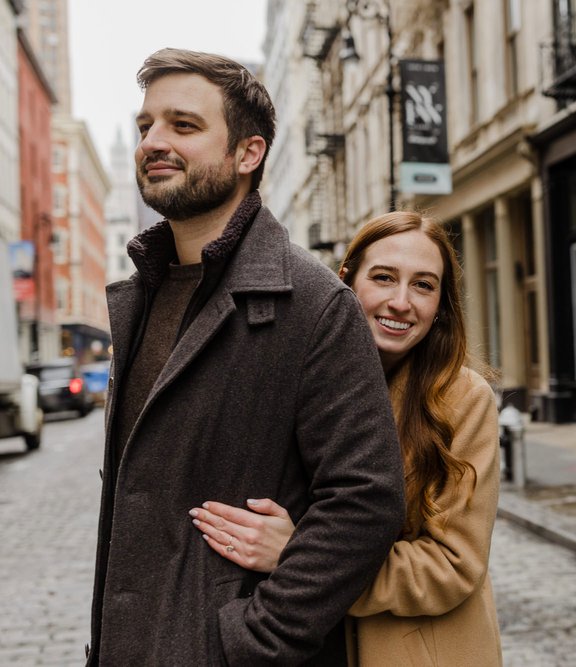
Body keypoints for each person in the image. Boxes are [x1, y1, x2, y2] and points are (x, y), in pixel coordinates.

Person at [88, 48, 405, 666]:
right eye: (145, 125)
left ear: (248, 154)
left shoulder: (313, 303)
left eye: (183, 125)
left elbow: (365, 502)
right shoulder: (142, 297)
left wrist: (249, 642)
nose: (154, 141)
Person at [192, 211, 504, 666]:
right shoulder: (300, 377)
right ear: (345, 284)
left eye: (423, 285)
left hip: (414, 651)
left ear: (441, 305)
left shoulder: (461, 399)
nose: (401, 301)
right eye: (383, 277)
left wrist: (302, 558)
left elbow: (453, 566)